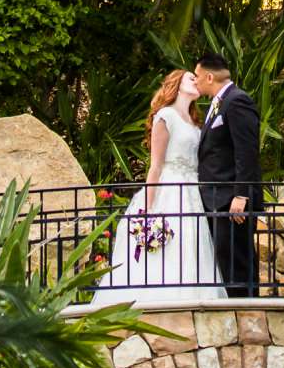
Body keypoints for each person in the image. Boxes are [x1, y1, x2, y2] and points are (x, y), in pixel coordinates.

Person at [93, 70, 227, 306]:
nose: (196, 81)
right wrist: (148, 208)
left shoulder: (196, 121)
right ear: (175, 84)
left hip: (192, 191)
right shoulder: (165, 116)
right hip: (170, 189)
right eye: (190, 78)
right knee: (169, 247)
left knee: (192, 247)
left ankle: (193, 301)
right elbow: (155, 166)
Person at [192, 54, 262, 298]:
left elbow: (247, 152)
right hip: (217, 198)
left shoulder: (237, 101)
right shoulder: (218, 103)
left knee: (237, 261)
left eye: (198, 77)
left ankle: (246, 312)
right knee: (226, 259)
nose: (196, 82)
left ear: (210, 77)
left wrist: (241, 194)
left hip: (232, 200)